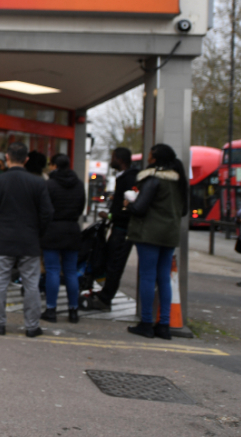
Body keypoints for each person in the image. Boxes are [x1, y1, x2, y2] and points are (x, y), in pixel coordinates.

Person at [0, 142, 54, 338]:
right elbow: (47, 213)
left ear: (7, 157)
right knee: (31, 285)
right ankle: (32, 327)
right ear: (27, 159)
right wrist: (38, 234)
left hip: (3, 240)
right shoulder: (38, 183)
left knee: (0, 283)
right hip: (29, 241)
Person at [124, 143, 188, 340]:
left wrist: (129, 204)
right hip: (169, 235)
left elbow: (140, 208)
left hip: (149, 235)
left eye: (150, 154)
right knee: (164, 279)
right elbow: (183, 210)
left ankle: (146, 323)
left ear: (155, 158)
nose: (148, 157)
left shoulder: (152, 179)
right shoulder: (179, 181)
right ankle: (164, 325)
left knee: (147, 277)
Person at [85, 147, 139, 311]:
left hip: (123, 229)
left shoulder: (129, 179)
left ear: (120, 159)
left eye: (113, 157)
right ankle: (104, 293)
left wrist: (110, 217)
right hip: (118, 227)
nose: (111, 160)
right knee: (109, 261)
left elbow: (126, 209)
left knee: (115, 264)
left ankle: (106, 298)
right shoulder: (124, 177)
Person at [40, 154, 85, 324]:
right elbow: (81, 207)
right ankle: (73, 311)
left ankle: (51, 310)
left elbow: (44, 209)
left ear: (54, 166)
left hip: (52, 230)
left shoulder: (49, 185)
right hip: (72, 230)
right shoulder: (79, 184)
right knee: (71, 271)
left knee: (52, 270)